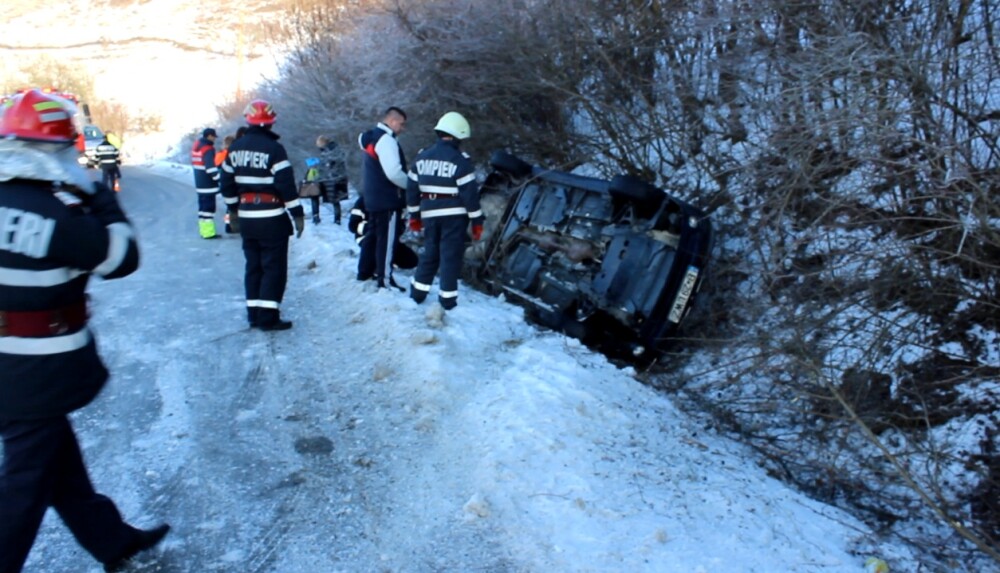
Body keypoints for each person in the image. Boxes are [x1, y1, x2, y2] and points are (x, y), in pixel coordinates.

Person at [0, 89, 169, 573]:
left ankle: (111, 540)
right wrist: (101, 202)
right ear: (56, 151)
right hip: (32, 366)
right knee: (25, 482)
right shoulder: (55, 212)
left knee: (55, 459)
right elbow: (121, 257)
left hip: (13, 371)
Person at [220, 99, 305, 331]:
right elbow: (286, 185)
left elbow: (225, 182)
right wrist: (297, 212)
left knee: (253, 266)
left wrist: (232, 210)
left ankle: (254, 315)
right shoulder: (275, 149)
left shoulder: (235, 148)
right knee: (273, 268)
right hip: (272, 217)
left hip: (247, 216)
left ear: (248, 120)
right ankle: (268, 317)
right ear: (270, 122)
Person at [406, 111, 484, 310]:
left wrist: (414, 216)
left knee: (430, 252)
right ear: (457, 136)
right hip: (454, 217)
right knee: (450, 256)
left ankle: (417, 293)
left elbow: (412, 190)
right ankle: (447, 301)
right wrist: (477, 222)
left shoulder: (421, 158)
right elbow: (470, 197)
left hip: (429, 214)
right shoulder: (460, 161)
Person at [357, 106, 408, 290]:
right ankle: (384, 279)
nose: (402, 128)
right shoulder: (386, 141)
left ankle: (364, 271)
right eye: (401, 124)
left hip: (372, 197)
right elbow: (393, 173)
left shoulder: (370, 137)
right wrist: (411, 185)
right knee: (387, 240)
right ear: (392, 121)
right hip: (387, 199)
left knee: (373, 236)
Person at [348, 195, 418, 281]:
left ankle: (386, 264)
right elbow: (353, 225)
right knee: (375, 246)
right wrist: (374, 229)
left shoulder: (395, 202)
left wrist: (394, 230)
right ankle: (375, 269)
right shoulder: (363, 201)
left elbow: (401, 226)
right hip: (366, 239)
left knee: (411, 260)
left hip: (388, 239)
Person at [191, 127, 221, 239]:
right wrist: (219, 178)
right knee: (209, 209)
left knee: (202, 210)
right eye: (213, 136)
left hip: (199, 183)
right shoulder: (208, 149)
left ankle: (204, 231)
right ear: (209, 136)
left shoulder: (197, 146)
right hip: (208, 185)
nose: (214, 139)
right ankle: (209, 233)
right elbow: (210, 168)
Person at [315, 135, 348, 224]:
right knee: (335, 200)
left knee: (335, 199)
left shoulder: (332, 151)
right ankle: (336, 219)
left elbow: (331, 162)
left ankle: (337, 220)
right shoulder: (330, 150)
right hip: (332, 178)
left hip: (335, 178)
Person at [216, 134, 236, 233]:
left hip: (222, 183)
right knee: (232, 206)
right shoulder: (231, 155)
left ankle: (228, 225)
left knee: (228, 206)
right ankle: (232, 225)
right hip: (231, 183)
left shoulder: (219, 154)